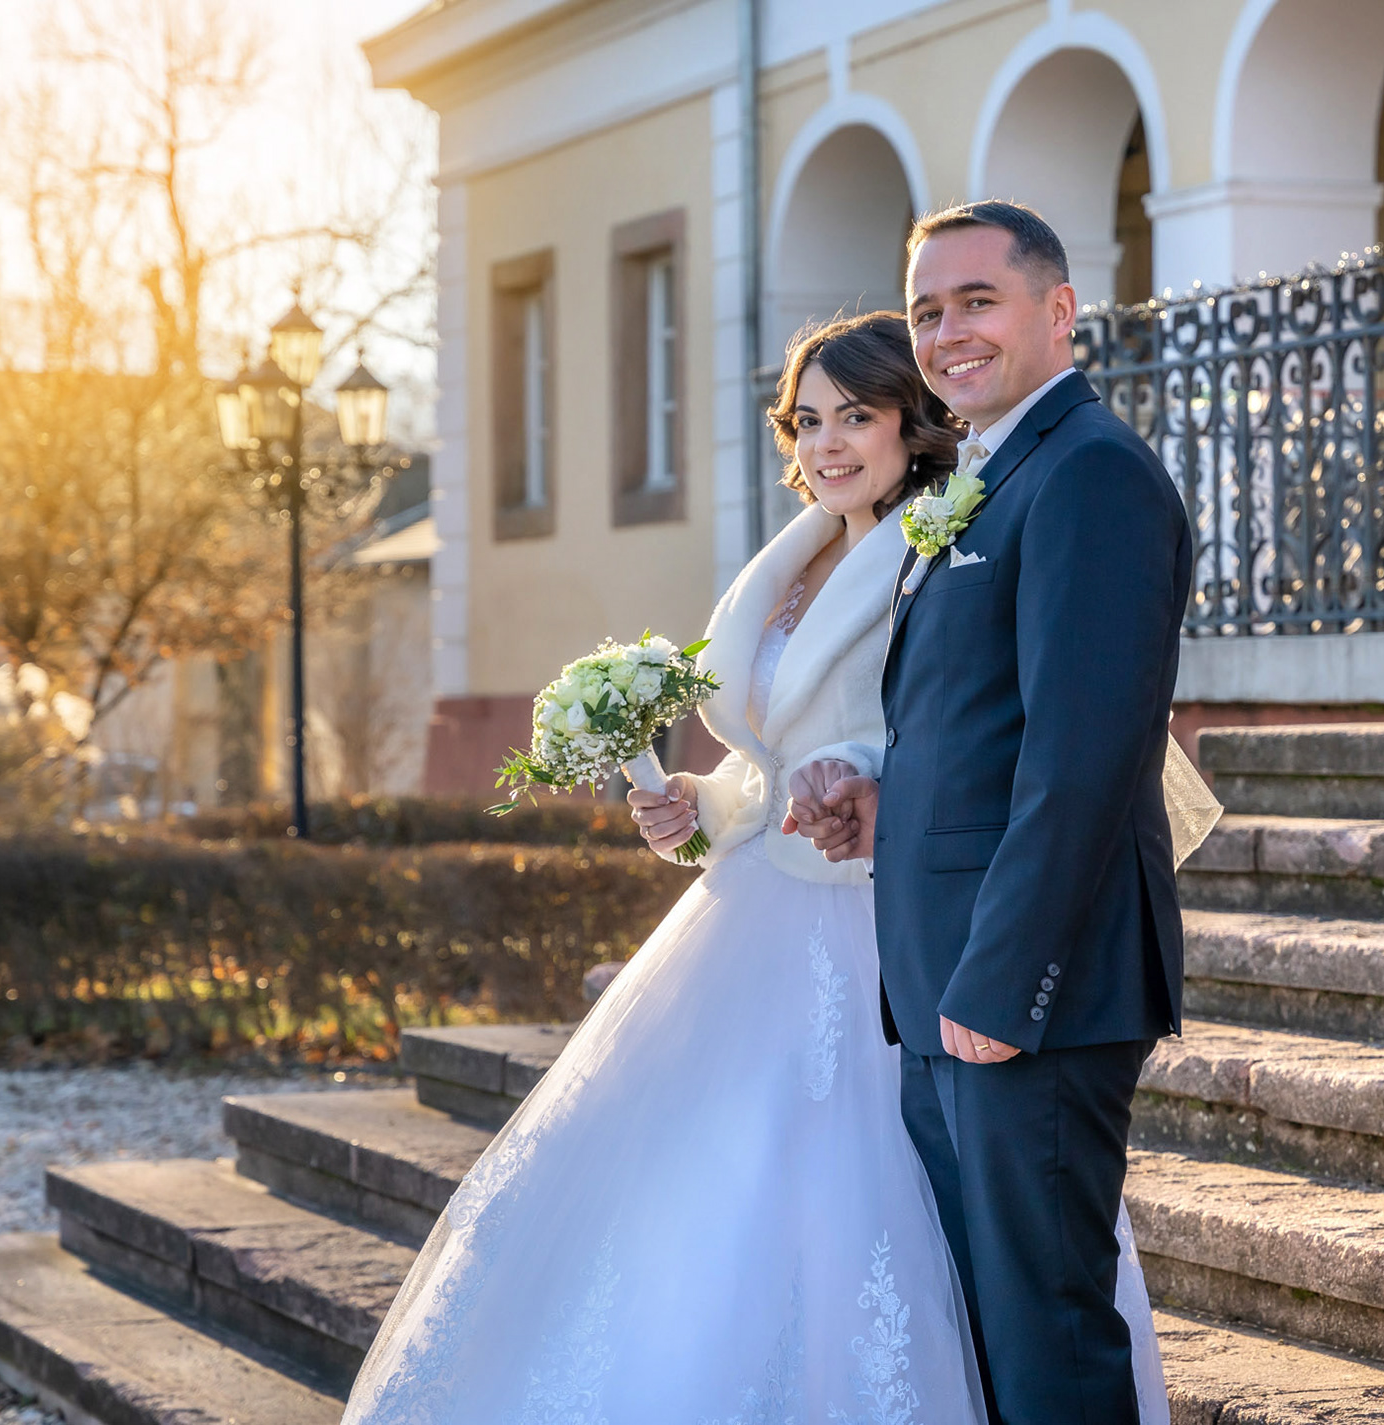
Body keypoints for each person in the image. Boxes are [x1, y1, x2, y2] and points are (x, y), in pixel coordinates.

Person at [342, 313, 997, 1424]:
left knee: (836, 1194)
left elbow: (948, 728)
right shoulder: (797, 553)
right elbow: (769, 757)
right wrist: (697, 802)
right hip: (752, 912)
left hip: (870, 912)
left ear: (912, 422)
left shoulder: (941, 545)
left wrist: (859, 770)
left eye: (857, 416)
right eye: (809, 421)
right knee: (686, 1193)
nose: (829, 444)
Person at [793, 201, 1202, 1425]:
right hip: (946, 983)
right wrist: (886, 799)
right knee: (991, 1340)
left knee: (1047, 1344)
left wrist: (1004, 982)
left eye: (978, 300)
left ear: (1059, 310)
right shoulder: (991, 474)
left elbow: (1084, 760)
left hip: (1028, 994)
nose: (947, 331)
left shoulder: (1090, 474)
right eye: (927, 310)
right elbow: (985, 727)